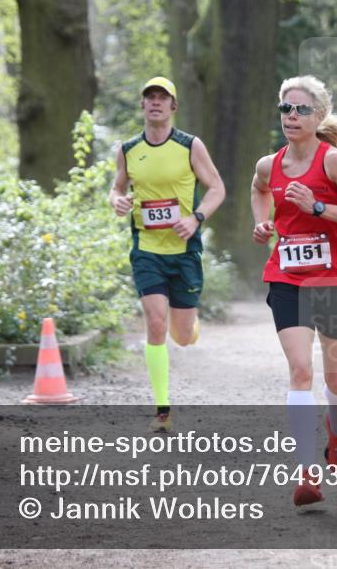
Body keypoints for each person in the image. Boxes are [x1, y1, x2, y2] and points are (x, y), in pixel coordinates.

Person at [251, 75, 337, 506]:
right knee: (301, 371)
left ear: (319, 116)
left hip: (336, 280)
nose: (291, 116)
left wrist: (318, 207)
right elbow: (258, 189)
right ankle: (306, 470)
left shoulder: (334, 163)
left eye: (301, 109)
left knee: (336, 377)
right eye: (286, 108)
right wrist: (262, 222)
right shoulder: (269, 164)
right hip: (287, 279)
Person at [110, 76, 225, 432]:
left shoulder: (190, 145)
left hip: (184, 251)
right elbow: (116, 187)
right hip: (147, 250)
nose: (156, 102)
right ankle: (162, 411)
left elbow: (217, 188)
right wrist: (117, 200)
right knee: (155, 323)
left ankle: (190, 328)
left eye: (163, 98)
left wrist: (196, 218)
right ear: (143, 105)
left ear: (173, 106)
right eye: (150, 98)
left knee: (182, 334)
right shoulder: (128, 149)